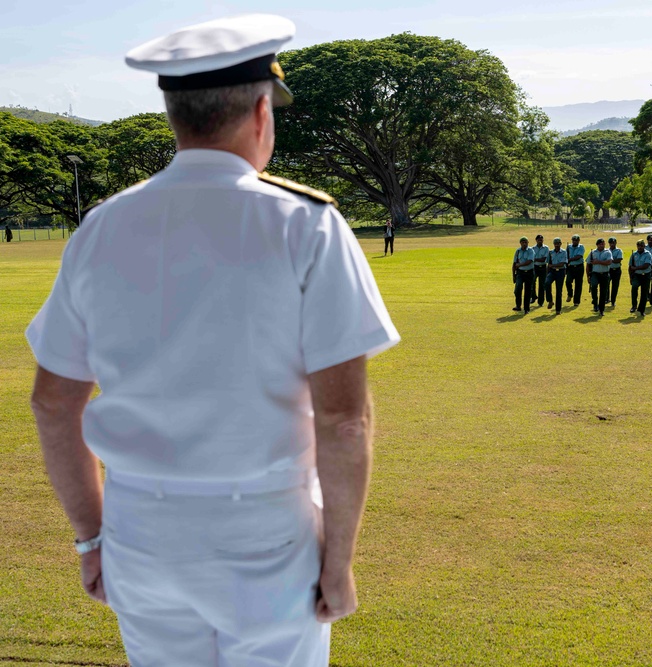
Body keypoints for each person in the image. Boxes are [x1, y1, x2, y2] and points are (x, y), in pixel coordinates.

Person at [25, 15, 400, 667]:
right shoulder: (306, 224)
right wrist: (338, 563)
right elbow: (343, 420)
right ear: (262, 113)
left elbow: (54, 402)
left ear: (175, 116)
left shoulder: (101, 229)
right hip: (264, 531)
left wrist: (93, 539)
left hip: (141, 529)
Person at [586, 238, 613, 315]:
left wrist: (598, 262)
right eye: (600, 244)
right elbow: (588, 264)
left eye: (603, 244)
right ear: (597, 245)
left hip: (604, 274)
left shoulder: (608, 252)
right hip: (595, 273)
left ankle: (601, 309)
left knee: (603, 292)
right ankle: (595, 302)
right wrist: (587, 276)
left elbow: (609, 262)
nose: (602, 245)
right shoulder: (592, 252)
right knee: (593, 286)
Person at [629, 239, 652, 316]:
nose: (640, 247)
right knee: (634, 288)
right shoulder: (634, 254)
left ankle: (641, 309)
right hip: (637, 275)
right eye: (638, 246)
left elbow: (646, 266)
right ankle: (634, 306)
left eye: (641, 246)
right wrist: (630, 277)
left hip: (646, 275)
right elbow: (630, 266)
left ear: (644, 246)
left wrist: (635, 268)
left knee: (644, 293)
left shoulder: (648, 254)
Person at [512, 236, 535, 313]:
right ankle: (518, 306)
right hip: (520, 273)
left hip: (529, 272)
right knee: (518, 289)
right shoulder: (518, 251)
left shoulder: (531, 251)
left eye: (526, 242)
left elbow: (529, 261)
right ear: (520, 243)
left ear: (528, 243)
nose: (524, 244)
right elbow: (514, 264)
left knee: (528, 291)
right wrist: (513, 275)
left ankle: (526, 309)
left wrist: (520, 265)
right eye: (523, 242)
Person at [545, 237, 568, 314]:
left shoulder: (564, 252)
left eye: (558, 243)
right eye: (555, 244)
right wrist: (549, 271)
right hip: (552, 272)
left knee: (559, 291)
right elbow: (548, 264)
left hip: (560, 272)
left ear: (561, 244)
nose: (557, 245)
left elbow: (562, 263)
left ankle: (558, 310)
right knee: (547, 283)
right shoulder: (550, 252)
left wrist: (553, 265)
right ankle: (550, 300)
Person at [565, 234, 586, 307]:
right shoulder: (568, 247)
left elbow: (579, 256)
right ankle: (570, 294)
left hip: (579, 267)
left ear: (579, 241)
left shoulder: (581, 247)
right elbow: (566, 256)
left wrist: (570, 259)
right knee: (568, 282)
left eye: (576, 240)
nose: (575, 242)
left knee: (578, 284)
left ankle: (576, 301)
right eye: (573, 240)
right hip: (571, 267)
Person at [531, 234, 549, 307]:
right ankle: (533, 296)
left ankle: (540, 301)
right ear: (536, 240)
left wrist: (535, 259)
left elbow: (544, 259)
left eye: (541, 240)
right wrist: (536, 259)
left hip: (543, 267)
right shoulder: (532, 248)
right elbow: (532, 259)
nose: (540, 241)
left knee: (542, 285)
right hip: (535, 267)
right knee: (532, 282)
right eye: (539, 240)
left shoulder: (546, 248)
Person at [608, 237, 623, 308]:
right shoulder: (607, 251)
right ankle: (606, 298)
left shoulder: (619, 250)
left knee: (615, 286)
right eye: (611, 243)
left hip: (616, 270)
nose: (612, 244)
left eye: (613, 243)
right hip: (609, 270)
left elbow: (619, 260)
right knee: (606, 284)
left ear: (615, 243)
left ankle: (613, 301)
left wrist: (610, 260)